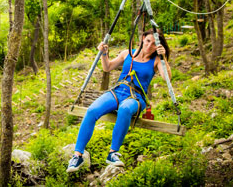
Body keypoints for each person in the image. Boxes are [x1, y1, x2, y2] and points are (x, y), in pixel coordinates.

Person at [66, 30, 171, 172]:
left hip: (136, 97)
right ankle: (77, 155)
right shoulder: (127, 53)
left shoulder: (157, 60)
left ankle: (113, 153)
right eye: (147, 41)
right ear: (142, 39)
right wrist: (104, 53)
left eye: (154, 44)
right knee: (92, 111)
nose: (149, 46)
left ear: (158, 46)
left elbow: (167, 78)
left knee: (125, 109)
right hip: (117, 91)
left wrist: (163, 56)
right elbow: (107, 67)